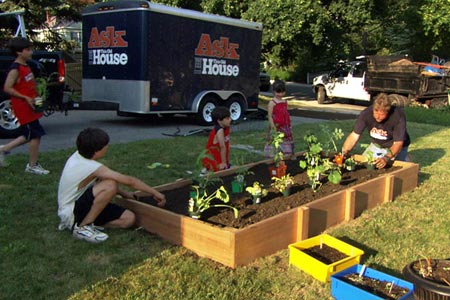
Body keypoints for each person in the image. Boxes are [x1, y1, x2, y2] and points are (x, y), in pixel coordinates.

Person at [57, 127, 166, 243]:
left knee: (129, 219)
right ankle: (82, 227)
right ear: (97, 150)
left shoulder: (80, 156)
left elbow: (100, 180)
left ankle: (90, 222)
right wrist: (155, 192)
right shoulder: (89, 166)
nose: (107, 147)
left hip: (84, 204)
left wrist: (126, 195)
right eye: (105, 145)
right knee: (110, 184)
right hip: (71, 210)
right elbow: (129, 181)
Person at [0, 37, 49, 174]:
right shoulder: (15, 69)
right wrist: (25, 97)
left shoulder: (26, 66)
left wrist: (37, 97)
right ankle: (32, 166)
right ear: (18, 52)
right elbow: (7, 88)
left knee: (30, 134)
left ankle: (3, 150)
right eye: (27, 50)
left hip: (31, 104)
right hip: (22, 106)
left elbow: (28, 85)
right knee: (35, 134)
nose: (31, 52)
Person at [342, 93, 410, 169]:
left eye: (381, 114)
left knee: (398, 169)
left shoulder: (397, 115)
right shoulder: (366, 114)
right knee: (365, 165)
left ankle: (404, 158)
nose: (378, 116)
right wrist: (344, 153)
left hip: (395, 146)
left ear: (387, 112)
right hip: (376, 144)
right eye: (376, 113)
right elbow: (354, 136)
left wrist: (386, 158)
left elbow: (398, 143)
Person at [266, 80, 294, 158]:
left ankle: (286, 155)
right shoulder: (272, 103)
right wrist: (273, 126)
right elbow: (270, 116)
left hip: (285, 126)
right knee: (276, 141)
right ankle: (273, 156)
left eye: (282, 92)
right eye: (278, 92)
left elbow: (285, 113)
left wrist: (289, 124)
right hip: (276, 126)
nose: (280, 94)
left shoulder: (284, 101)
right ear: (274, 91)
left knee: (286, 141)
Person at [201, 106, 231, 172]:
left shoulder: (226, 127)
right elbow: (222, 147)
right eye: (227, 118)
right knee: (222, 169)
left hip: (220, 156)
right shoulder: (219, 131)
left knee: (228, 167)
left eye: (229, 117)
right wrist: (223, 163)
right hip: (212, 158)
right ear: (219, 120)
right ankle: (207, 170)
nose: (230, 120)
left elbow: (227, 143)